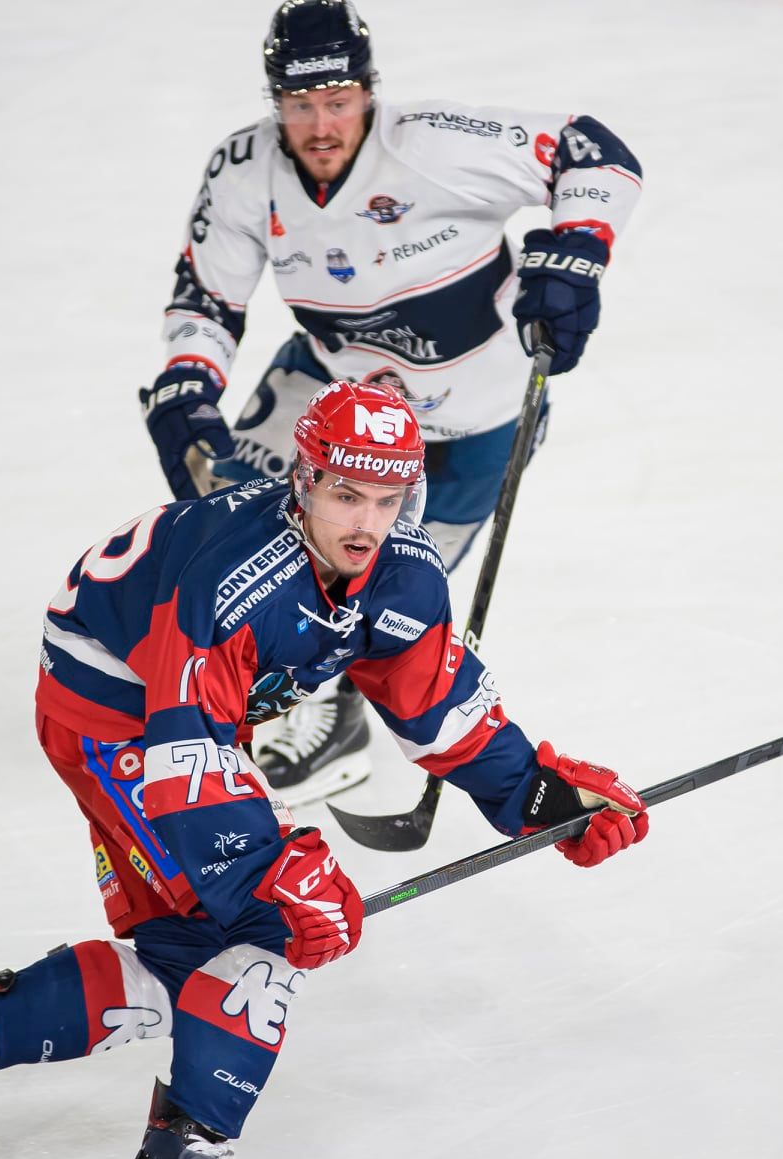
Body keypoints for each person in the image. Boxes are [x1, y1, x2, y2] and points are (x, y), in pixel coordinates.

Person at [0, 382, 649, 1159]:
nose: (366, 524)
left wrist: (544, 798)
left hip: (180, 720)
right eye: (345, 494)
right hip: (109, 704)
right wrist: (268, 873)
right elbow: (183, 746)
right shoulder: (236, 581)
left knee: (202, 962)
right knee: (264, 929)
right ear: (303, 481)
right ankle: (179, 1158)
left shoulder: (403, 571)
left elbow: (439, 707)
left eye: (387, 498)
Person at [140, 0, 643, 807]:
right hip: (336, 391)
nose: (321, 124)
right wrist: (187, 384)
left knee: (378, 590)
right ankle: (247, 686)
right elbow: (207, 295)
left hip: (479, 418)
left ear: (369, 91)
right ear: (277, 102)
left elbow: (592, 149)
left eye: (338, 99)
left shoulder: (434, 143)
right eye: (300, 105)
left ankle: (329, 708)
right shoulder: (242, 169)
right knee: (231, 503)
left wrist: (578, 253)